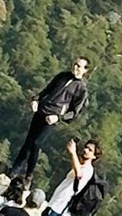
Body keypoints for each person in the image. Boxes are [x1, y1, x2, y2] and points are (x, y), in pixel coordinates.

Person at [9, 57, 90, 190]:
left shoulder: (81, 89)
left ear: (85, 70)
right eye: (75, 64)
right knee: (28, 141)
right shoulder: (62, 76)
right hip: (41, 110)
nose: (76, 68)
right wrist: (36, 99)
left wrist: (58, 117)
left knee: (37, 143)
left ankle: (29, 175)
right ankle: (14, 171)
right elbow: (47, 90)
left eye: (79, 66)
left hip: (52, 117)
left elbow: (75, 112)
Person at [45, 135, 102, 216]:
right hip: (56, 203)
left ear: (94, 156)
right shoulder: (81, 165)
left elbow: (79, 175)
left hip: (59, 207)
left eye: (90, 150)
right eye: (86, 147)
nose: (85, 150)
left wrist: (73, 153)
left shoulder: (88, 169)